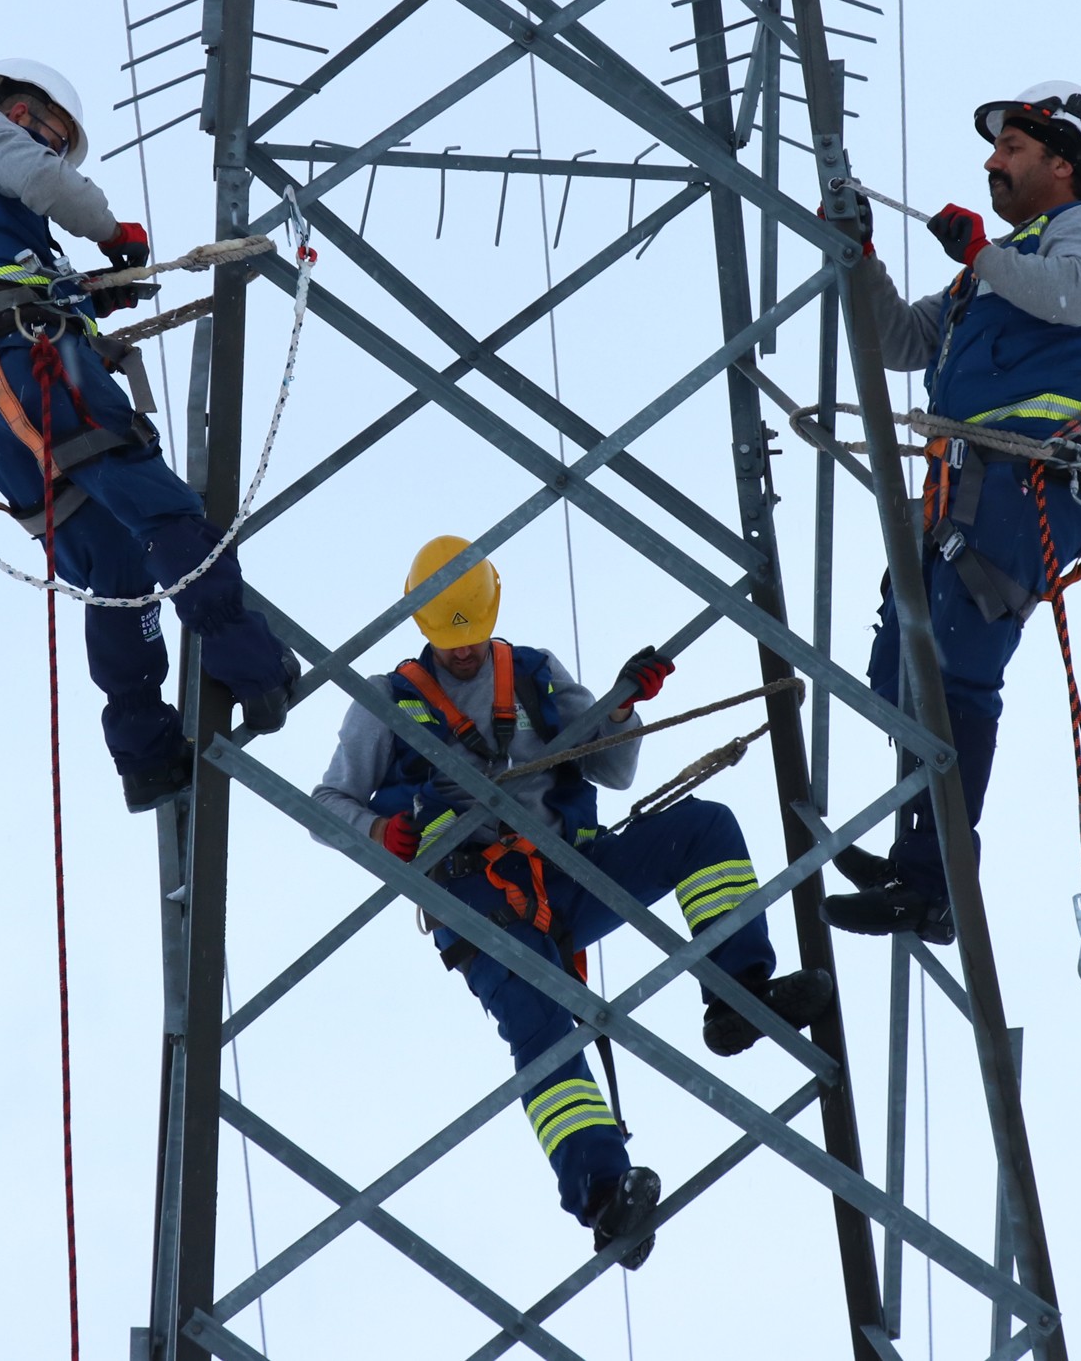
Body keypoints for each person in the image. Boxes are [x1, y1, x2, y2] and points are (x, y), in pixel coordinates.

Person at [312, 537, 835, 1268]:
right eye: (446, 641)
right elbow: (324, 802)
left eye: (470, 640)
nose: (462, 654)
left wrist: (620, 709)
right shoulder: (386, 701)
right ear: (423, 627)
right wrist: (378, 831)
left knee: (705, 830)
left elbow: (613, 769)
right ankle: (602, 1192)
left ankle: (738, 993)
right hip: (477, 902)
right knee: (542, 1020)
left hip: (568, 873)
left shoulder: (530, 673)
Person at [0, 59, 298, 809]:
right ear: (0, 104)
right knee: (159, 502)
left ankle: (146, 754)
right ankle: (252, 663)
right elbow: (52, 186)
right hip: (29, 361)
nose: (40, 140)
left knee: (114, 572)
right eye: (37, 123)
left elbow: (7, 268)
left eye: (55, 135)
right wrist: (115, 233)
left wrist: (98, 291)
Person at [822, 82, 1081, 943]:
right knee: (901, 670)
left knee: (956, 667)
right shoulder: (986, 283)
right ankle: (918, 852)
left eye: (1012, 149)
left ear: (1062, 162)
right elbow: (897, 341)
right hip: (960, 486)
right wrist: (861, 257)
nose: (994, 162)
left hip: (1022, 487)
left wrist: (982, 256)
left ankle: (933, 884)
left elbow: (1074, 295)